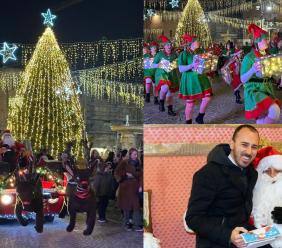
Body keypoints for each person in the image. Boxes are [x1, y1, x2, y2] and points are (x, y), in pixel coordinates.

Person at [185, 124, 268, 248]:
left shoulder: (252, 173)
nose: (249, 152)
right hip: (216, 239)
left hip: (243, 235)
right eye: (244, 145)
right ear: (232, 144)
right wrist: (228, 235)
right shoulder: (208, 174)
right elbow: (193, 218)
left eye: (254, 147)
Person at [240, 24, 281, 124]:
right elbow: (242, 79)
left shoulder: (268, 55)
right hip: (254, 89)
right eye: (265, 39)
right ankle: (261, 130)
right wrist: (252, 70)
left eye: (267, 39)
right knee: (274, 111)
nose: (267, 41)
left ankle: (261, 132)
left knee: (263, 116)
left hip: (267, 87)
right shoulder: (248, 57)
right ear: (257, 41)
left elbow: (272, 74)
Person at [178, 34, 213, 124]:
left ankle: (200, 117)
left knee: (207, 98)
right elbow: (181, 69)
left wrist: (210, 61)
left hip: (201, 78)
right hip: (190, 80)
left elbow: (204, 62)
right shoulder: (184, 54)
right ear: (192, 43)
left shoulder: (200, 51)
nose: (199, 42)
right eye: (197, 41)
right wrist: (191, 65)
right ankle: (188, 122)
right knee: (190, 103)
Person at [252, 146, 282, 248]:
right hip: (257, 241)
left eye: (278, 171)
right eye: (267, 171)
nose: (273, 175)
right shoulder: (250, 194)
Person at [152, 35, 179, 116]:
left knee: (170, 93)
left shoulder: (175, 54)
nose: (169, 46)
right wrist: (160, 64)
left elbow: (177, 63)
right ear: (164, 46)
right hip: (161, 74)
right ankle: (161, 101)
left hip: (171, 74)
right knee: (165, 87)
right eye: (167, 45)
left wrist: (175, 64)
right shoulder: (159, 54)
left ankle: (170, 109)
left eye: (170, 45)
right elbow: (153, 65)